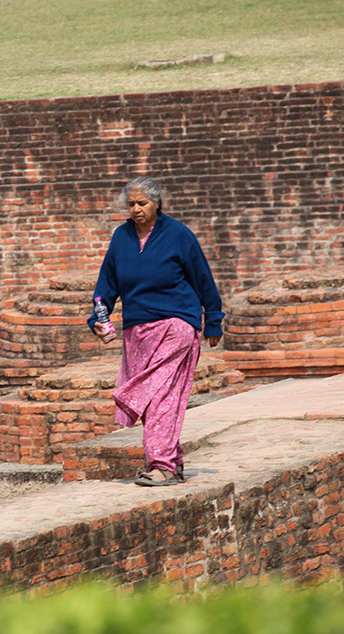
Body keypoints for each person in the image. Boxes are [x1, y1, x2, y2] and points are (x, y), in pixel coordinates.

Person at [87, 176, 224, 487]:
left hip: (176, 324)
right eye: (131, 204)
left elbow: (203, 278)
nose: (136, 209)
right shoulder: (121, 237)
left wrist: (213, 319)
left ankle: (160, 464)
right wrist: (98, 317)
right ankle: (172, 463)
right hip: (137, 329)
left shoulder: (179, 236)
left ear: (157, 203)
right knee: (156, 399)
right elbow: (106, 284)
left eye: (142, 203)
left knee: (160, 394)